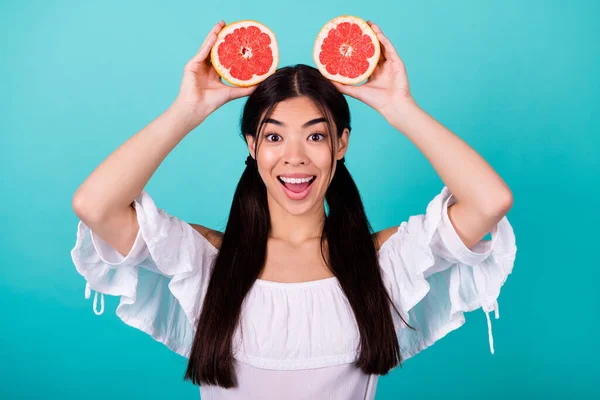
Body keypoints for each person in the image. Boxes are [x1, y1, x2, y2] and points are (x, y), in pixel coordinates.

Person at [70, 20, 517, 400]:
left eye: (316, 136)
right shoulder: (208, 261)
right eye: (274, 136)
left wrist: (399, 108)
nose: (295, 157)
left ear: (341, 144)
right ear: (252, 146)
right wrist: (188, 110)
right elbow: (95, 205)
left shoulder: (381, 262)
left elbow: (488, 201)